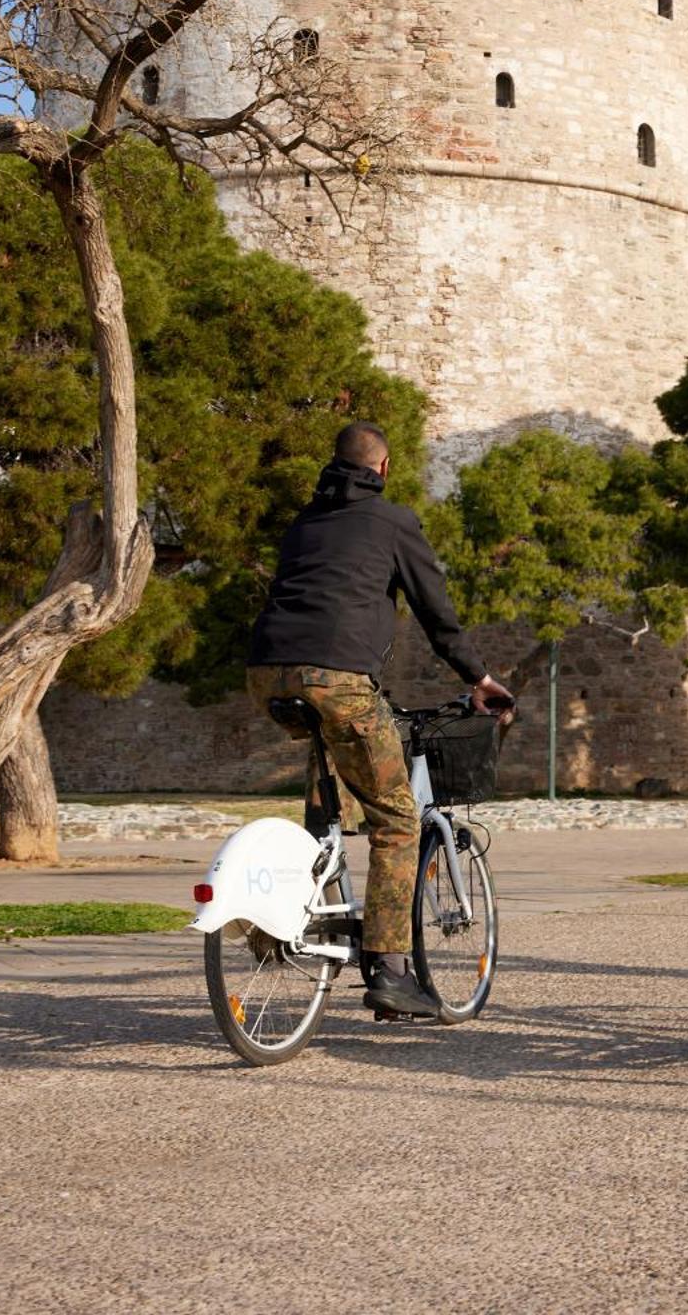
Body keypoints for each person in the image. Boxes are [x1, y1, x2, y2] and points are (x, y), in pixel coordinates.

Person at [246, 421, 514, 1019]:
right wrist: (480, 679)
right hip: (339, 678)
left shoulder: (304, 523)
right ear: (384, 469)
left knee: (330, 787)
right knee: (396, 817)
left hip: (267, 672)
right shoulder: (393, 522)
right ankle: (391, 973)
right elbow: (436, 616)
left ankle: (312, 880)